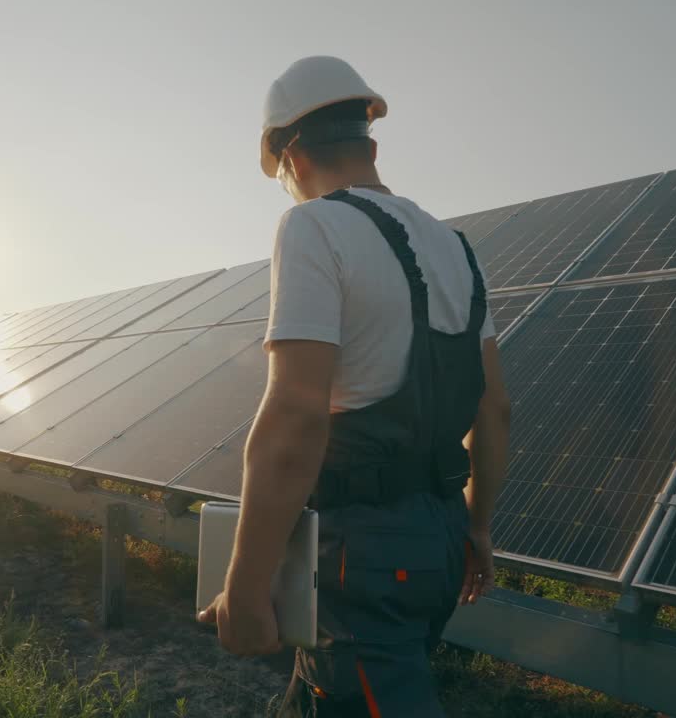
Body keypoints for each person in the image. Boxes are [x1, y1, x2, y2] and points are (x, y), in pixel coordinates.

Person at [198, 55, 512, 717]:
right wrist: (478, 529)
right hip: (440, 541)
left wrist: (246, 585)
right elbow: (495, 411)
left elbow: (296, 417)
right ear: (368, 142)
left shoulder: (313, 225)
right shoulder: (456, 249)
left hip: (364, 555)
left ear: (289, 157)